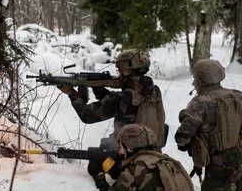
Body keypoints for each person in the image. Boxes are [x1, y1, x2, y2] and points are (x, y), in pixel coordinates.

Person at [58, 49, 167, 191]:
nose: (119, 74)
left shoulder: (122, 99)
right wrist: (101, 90)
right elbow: (125, 105)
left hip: (129, 162)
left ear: (128, 71)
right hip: (154, 156)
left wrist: (71, 93)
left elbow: (87, 115)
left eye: (120, 70)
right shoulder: (153, 91)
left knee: (96, 163)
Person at [175, 59, 242, 191]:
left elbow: (181, 138)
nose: (193, 82)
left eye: (195, 78)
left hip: (218, 167)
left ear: (201, 80)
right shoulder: (238, 96)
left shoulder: (199, 103)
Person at [110, 123, 194, 191]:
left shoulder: (136, 170)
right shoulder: (166, 161)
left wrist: (101, 181)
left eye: (121, 146)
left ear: (130, 148)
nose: (119, 151)